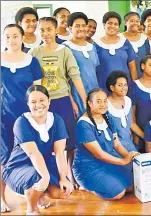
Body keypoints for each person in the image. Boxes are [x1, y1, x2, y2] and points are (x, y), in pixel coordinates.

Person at [29, 17, 87, 189]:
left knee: (69, 143)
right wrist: (37, 103)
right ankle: (48, 179)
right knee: (44, 143)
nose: (45, 33)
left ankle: (70, 175)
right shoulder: (35, 52)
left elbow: (74, 76)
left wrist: (84, 101)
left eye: (49, 29)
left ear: (56, 31)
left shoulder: (64, 51)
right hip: (42, 104)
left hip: (62, 101)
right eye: (42, 30)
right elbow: (31, 80)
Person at [2, 85, 74, 215]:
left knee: (61, 192)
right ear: (28, 104)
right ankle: (32, 209)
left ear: (49, 101)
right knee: (38, 176)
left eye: (42, 100)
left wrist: (63, 177)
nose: (38, 105)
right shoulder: (21, 122)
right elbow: (33, 153)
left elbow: (59, 152)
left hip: (44, 164)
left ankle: (39, 194)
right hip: (18, 167)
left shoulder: (56, 120)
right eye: (33, 102)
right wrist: (45, 176)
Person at [1, 24, 43, 213]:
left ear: (22, 37)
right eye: (7, 36)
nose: (12, 40)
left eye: (15, 36)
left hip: (27, 117)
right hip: (4, 117)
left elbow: (39, 91)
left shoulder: (31, 61)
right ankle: (1, 198)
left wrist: (38, 114)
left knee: (32, 156)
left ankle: (36, 198)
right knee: (4, 158)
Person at [73, 88, 139, 200]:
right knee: (119, 194)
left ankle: (99, 184)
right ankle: (87, 187)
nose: (103, 104)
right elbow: (98, 154)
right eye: (98, 101)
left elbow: (117, 145)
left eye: (104, 101)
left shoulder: (107, 116)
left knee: (131, 187)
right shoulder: (84, 124)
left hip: (106, 163)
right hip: (88, 168)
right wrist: (123, 161)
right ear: (90, 103)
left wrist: (130, 155)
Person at [64, 12, 100, 118]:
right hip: (76, 96)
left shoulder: (92, 47)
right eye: (77, 26)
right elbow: (63, 78)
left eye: (83, 26)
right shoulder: (65, 47)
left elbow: (95, 72)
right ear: (70, 28)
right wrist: (71, 100)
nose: (81, 28)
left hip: (93, 94)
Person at [94, 11, 138, 88]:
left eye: (116, 24)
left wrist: (134, 86)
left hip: (124, 86)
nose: (113, 26)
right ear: (104, 25)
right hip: (103, 85)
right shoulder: (96, 44)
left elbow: (133, 67)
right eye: (110, 23)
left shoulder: (125, 42)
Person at [106, 70, 141, 152]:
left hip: (129, 145)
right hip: (113, 148)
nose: (124, 88)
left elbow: (132, 124)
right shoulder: (105, 104)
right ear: (112, 87)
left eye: (125, 85)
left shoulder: (128, 100)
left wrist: (148, 138)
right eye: (120, 85)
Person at [122, 12, 151, 78]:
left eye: (137, 21)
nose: (135, 23)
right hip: (124, 76)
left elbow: (148, 58)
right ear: (125, 22)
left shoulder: (144, 38)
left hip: (142, 76)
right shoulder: (119, 38)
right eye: (132, 21)